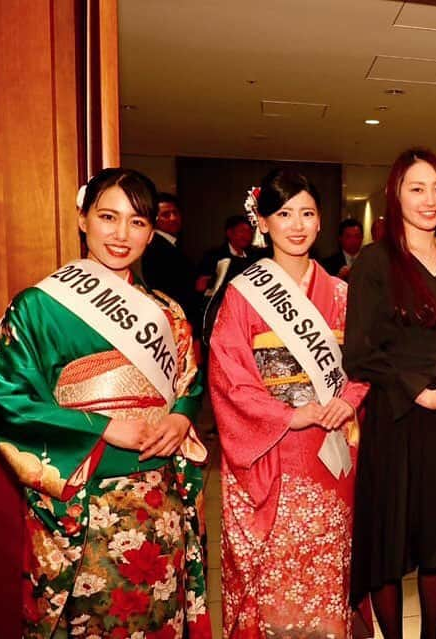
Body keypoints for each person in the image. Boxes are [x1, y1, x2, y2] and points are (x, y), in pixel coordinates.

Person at [0, 168, 210, 638]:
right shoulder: (39, 306)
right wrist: (103, 426)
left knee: (158, 618)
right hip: (86, 505)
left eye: (138, 222)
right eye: (108, 216)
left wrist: (180, 417)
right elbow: (8, 395)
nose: (121, 234)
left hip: (158, 502)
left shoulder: (167, 312)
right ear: (83, 218)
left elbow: (189, 380)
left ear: (152, 232)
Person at [208, 168, 368, 637]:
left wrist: (350, 398)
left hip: (333, 449)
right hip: (274, 446)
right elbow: (229, 377)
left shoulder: (343, 294)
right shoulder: (241, 296)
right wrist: (289, 414)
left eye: (307, 214)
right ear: (263, 221)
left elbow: (365, 363)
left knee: (329, 563)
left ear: (321, 223)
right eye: (283, 214)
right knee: (275, 566)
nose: (296, 225)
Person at [346, 147, 436, 639]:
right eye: (417, 188)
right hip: (399, 419)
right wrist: (419, 392)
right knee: (389, 546)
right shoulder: (374, 261)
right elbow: (359, 353)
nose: (430, 200)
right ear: (396, 194)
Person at [197, 214, 262, 344]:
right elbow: (200, 286)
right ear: (229, 233)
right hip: (220, 314)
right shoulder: (213, 256)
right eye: (241, 231)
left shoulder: (255, 257)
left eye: (249, 232)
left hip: (246, 314)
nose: (246, 235)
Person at [141, 191, 197, 316]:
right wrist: (196, 285)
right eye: (166, 215)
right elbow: (165, 288)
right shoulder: (155, 247)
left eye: (175, 213)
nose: (173, 218)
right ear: (154, 219)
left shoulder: (171, 244)